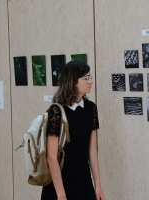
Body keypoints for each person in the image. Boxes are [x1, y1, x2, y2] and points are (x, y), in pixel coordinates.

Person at [41, 61, 105, 200]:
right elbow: (51, 157)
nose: (91, 81)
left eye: (90, 77)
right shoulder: (57, 112)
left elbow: (92, 149)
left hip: (84, 182)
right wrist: (61, 194)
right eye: (86, 78)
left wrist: (98, 185)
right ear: (72, 82)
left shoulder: (90, 108)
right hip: (59, 184)